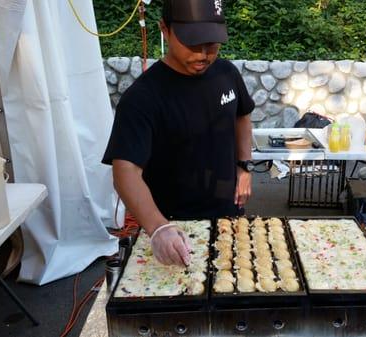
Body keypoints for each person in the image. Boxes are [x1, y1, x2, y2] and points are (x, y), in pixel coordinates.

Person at [102, 0, 255, 267]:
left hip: (227, 213)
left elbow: (242, 115)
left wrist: (244, 166)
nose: (203, 54)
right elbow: (125, 172)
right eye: (193, 43)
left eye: (212, 44)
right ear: (165, 29)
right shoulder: (143, 98)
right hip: (173, 224)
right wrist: (158, 228)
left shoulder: (226, 74)